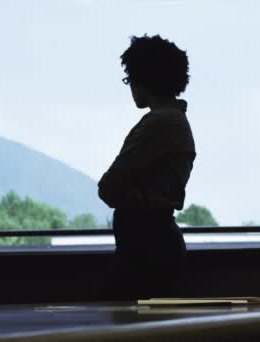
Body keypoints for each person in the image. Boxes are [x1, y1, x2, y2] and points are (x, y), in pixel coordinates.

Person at [98, 34, 195, 299]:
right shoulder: (177, 121)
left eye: (130, 79)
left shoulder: (157, 124)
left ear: (144, 80)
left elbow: (108, 187)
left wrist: (130, 196)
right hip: (158, 245)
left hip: (144, 251)